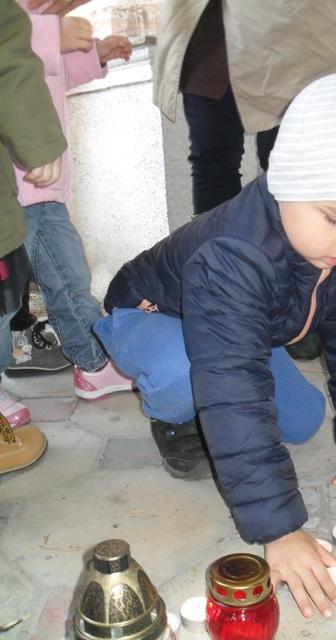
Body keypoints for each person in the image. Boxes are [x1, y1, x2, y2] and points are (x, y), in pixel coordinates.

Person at [94, 74, 336, 619]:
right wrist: (280, 529)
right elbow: (233, 386)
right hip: (148, 313)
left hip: (234, 323)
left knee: (302, 420)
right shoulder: (233, 251)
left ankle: (219, 366)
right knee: (189, 373)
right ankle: (170, 415)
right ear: (284, 184)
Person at [155, 1, 336, 361]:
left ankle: (300, 306)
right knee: (211, 164)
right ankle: (223, 298)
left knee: (293, 171)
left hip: (287, 29)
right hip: (206, 29)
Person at [8, 1, 134, 404]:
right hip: (17, 185)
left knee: (68, 277)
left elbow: (47, 77)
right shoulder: (20, 18)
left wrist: (93, 57)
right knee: (42, 286)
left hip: (40, 185)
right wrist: (49, 35)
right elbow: (10, 54)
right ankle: (90, 362)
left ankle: (93, 362)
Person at [0, 0, 67, 472]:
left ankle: (27, 349)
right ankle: (29, 350)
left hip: (40, 194)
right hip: (33, 193)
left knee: (22, 290)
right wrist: (39, 141)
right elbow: (6, 46)